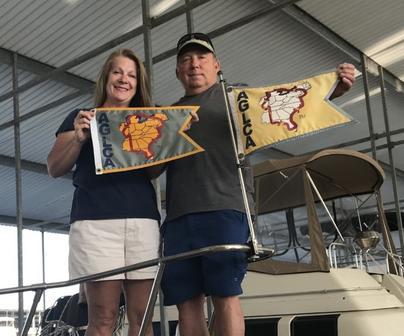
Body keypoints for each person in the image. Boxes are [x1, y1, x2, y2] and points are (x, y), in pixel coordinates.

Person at [160, 33, 356, 336]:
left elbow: (290, 104)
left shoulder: (236, 97)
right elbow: (148, 163)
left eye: (201, 58)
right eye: (185, 59)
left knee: (225, 295)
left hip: (225, 209)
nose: (194, 64)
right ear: (177, 71)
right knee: (186, 302)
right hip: (177, 218)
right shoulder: (167, 116)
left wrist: (335, 88)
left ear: (216, 65)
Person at [47, 49, 160, 336]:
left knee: (142, 315)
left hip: (141, 222)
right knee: (103, 316)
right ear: (106, 77)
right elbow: (54, 167)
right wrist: (78, 138)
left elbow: (153, 172)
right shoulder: (80, 117)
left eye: (132, 75)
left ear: (139, 83)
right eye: (118, 72)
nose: (124, 79)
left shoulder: (147, 120)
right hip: (95, 224)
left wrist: (170, 140)